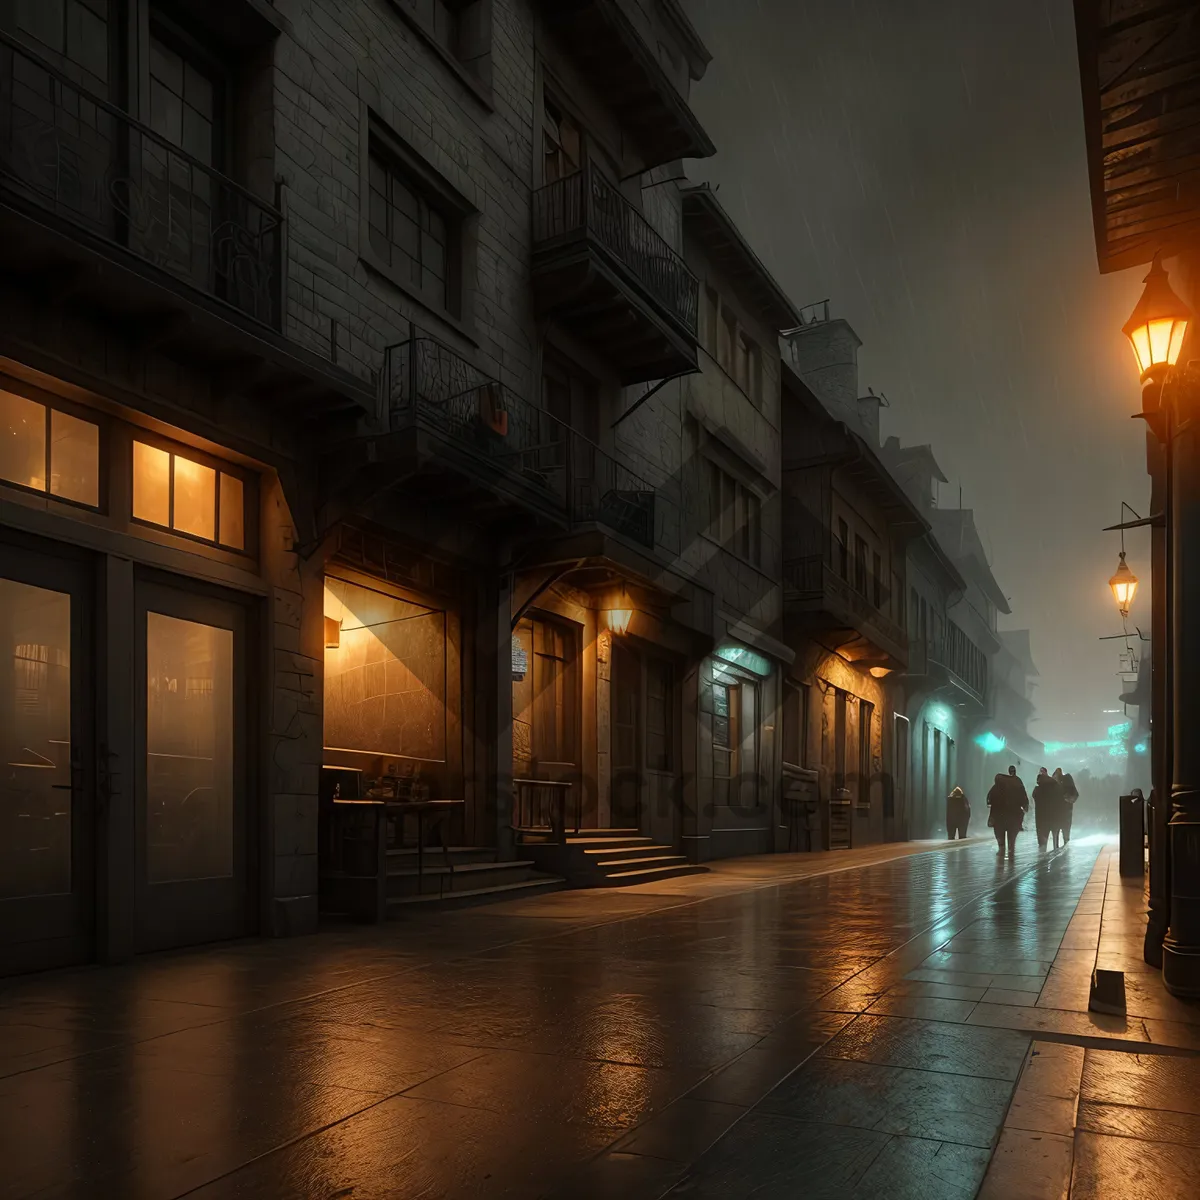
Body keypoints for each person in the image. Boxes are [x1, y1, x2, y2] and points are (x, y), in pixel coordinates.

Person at [988, 767, 1027, 859]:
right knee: (1012, 833)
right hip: (1013, 815)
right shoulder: (1017, 783)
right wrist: (1025, 805)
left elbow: (989, 799)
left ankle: (1001, 848)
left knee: (999, 832)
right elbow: (1023, 797)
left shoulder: (996, 787)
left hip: (999, 816)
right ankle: (1011, 848)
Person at [1032, 767, 1064, 851]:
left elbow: (1034, 796)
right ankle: (1056, 860)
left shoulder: (1037, 790)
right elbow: (1061, 802)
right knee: (1055, 844)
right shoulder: (1056, 787)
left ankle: (1042, 862)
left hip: (1042, 820)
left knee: (1042, 845)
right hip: (1055, 818)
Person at [1054, 768, 1078, 847]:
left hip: (1061, 812)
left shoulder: (1065, 780)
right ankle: (1064, 848)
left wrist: (1068, 799)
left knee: (1059, 834)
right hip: (1063, 812)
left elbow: (1075, 794)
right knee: (1064, 834)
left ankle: (1061, 848)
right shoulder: (1066, 780)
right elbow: (1075, 794)